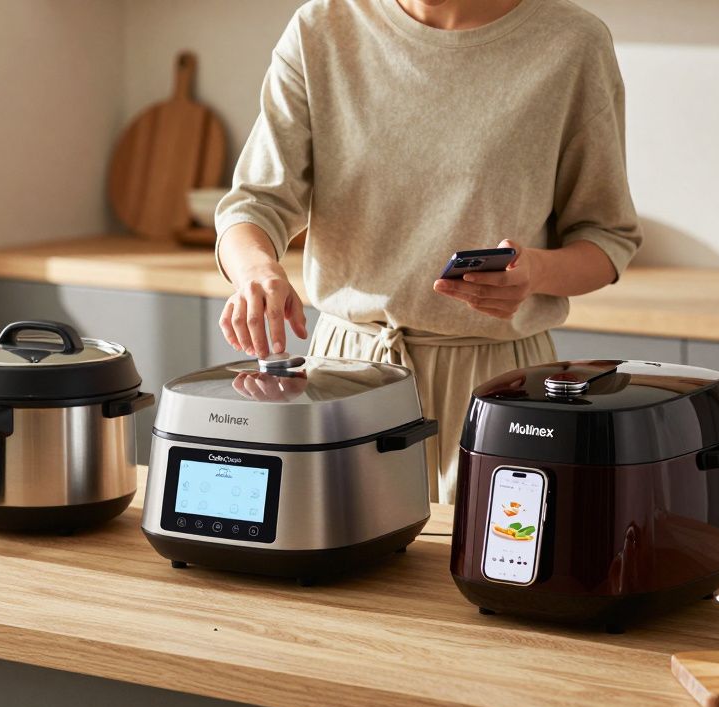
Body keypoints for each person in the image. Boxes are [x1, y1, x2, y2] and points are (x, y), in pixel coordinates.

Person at [214, 0, 642, 502]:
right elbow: (254, 203)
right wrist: (258, 271)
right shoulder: (323, 27)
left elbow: (606, 237)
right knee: (340, 575)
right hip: (345, 377)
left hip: (500, 386)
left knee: (497, 572)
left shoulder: (572, 42)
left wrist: (536, 271)